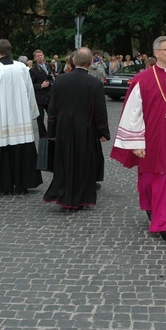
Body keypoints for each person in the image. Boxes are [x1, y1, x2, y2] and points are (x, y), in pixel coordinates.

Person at [111, 36, 166, 247]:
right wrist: (136, 144)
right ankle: (155, 211)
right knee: (150, 183)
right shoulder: (142, 80)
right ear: (157, 53)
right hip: (151, 140)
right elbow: (133, 114)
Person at [43, 48, 110, 210]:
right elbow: (100, 111)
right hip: (85, 128)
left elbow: (52, 108)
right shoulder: (94, 83)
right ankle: (81, 197)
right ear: (89, 63)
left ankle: (63, 193)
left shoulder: (60, 80)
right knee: (83, 161)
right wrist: (103, 132)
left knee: (64, 160)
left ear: (73, 61)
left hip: (63, 127)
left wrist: (51, 131)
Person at [0, 39, 42, 195]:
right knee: (21, 149)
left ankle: (5, 185)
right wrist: (32, 112)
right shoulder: (22, 68)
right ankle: (22, 184)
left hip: (1, 118)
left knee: (4, 150)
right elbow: (29, 92)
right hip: (21, 118)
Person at [30, 49, 55, 138]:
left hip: (49, 95)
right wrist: (41, 85)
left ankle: (52, 133)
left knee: (52, 115)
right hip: (40, 97)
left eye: (41, 55)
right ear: (35, 58)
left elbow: (52, 76)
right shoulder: (33, 70)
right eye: (38, 56)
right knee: (40, 118)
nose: (40, 57)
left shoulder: (48, 65)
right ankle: (43, 136)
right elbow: (31, 85)